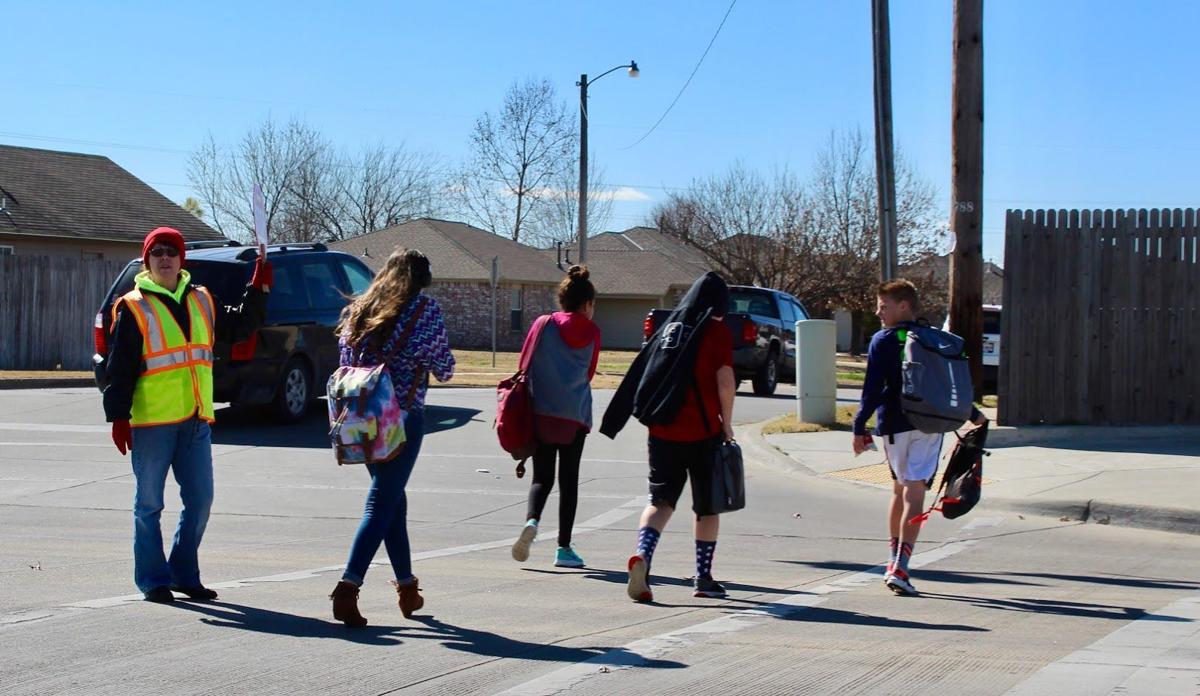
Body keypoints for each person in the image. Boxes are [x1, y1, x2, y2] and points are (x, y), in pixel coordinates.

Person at [103, 227, 272, 603]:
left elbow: (240, 327)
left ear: (182, 259)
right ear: (147, 260)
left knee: (200, 500)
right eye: (157, 252)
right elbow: (120, 368)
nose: (164, 258)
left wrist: (258, 287)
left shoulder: (203, 299)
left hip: (195, 420)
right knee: (149, 505)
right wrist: (118, 416)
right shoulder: (133, 306)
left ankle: (182, 573)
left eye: (171, 251)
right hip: (153, 423)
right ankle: (153, 579)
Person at [329, 248, 454, 627]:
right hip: (402, 418)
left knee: (392, 501)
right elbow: (444, 368)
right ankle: (348, 587)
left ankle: (407, 588)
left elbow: (345, 360)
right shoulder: (423, 310)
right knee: (381, 503)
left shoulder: (359, 310)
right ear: (423, 280)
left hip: (361, 417)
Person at [600, 272, 736, 602]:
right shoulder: (716, 331)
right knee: (707, 507)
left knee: (659, 502)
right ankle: (703, 578)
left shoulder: (668, 329)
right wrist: (727, 424)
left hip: (661, 430)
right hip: (703, 431)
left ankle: (643, 556)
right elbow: (725, 382)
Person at [852, 279, 987, 596]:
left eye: (883, 307)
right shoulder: (933, 339)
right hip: (931, 425)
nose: (878, 313)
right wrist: (972, 413)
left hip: (894, 426)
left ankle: (893, 560)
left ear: (903, 306)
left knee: (900, 489)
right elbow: (943, 385)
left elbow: (873, 388)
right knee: (915, 490)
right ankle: (901, 566)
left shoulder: (884, 340)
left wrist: (859, 426)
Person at [510, 265, 601, 569]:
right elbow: (589, 372)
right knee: (569, 481)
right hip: (575, 415)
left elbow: (524, 362)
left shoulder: (543, 324)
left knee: (541, 478)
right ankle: (563, 548)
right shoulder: (593, 332)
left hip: (541, 412)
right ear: (587, 304)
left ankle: (532, 521)